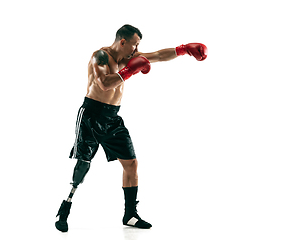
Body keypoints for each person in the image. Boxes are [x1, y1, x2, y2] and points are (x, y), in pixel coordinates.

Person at [55, 24, 207, 232]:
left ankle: (130, 215)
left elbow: (157, 56)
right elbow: (104, 84)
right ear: (123, 41)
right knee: (84, 163)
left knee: (131, 164)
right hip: (91, 114)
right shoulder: (100, 56)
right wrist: (129, 71)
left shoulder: (125, 58)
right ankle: (66, 206)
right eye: (135, 45)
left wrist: (183, 50)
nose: (136, 50)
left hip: (112, 117)